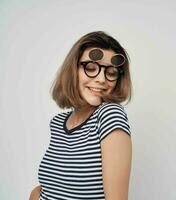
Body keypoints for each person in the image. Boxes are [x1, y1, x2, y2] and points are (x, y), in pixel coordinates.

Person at [29, 31, 133, 200]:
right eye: (91, 68)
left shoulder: (109, 116)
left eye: (112, 72)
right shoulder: (58, 123)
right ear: (72, 70)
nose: (101, 79)